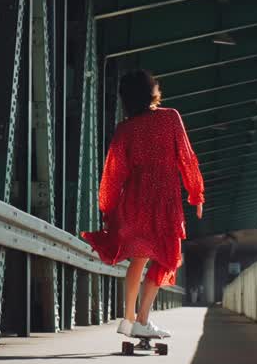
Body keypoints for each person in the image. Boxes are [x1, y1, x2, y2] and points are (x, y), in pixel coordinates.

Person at [81, 69, 204, 340]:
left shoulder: (125, 129)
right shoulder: (170, 118)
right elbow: (186, 157)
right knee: (168, 258)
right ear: (152, 91)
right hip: (163, 201)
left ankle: (127, 319)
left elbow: (113, 172)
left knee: (138, 260)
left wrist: (109, 209)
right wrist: (195, 194)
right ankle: (143, 320)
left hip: (134, 202)